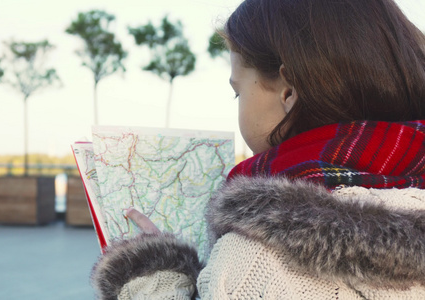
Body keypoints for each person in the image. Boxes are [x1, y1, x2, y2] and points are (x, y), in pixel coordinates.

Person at [91, 0, 425, 298]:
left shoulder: (255, 259)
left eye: (238, 91)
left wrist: (153, 278)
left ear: (288, 92)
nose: (239, 104)